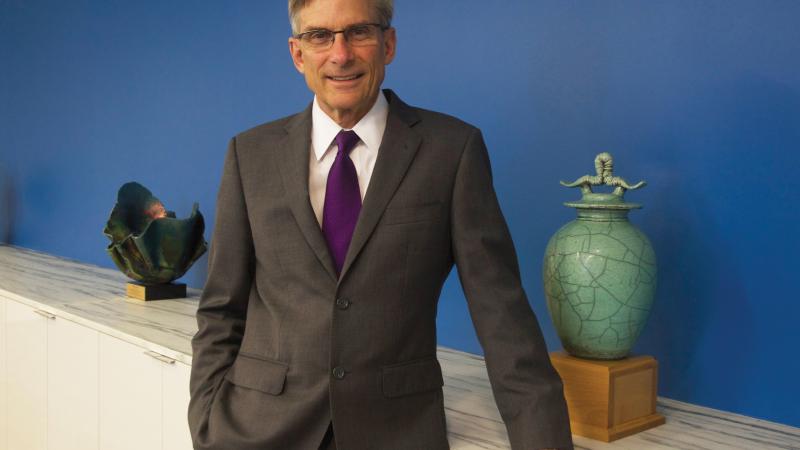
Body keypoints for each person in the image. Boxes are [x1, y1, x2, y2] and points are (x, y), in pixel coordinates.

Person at [188, 0, 574, 449]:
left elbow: (502, 316)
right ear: (298, 54)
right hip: (256, 429)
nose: (341, 54)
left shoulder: (452, 152)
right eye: (320, 36)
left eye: (359, 32)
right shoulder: (249, 155)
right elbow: (221, 310)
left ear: (388, 44)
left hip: (396, 431)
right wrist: (206, 423)